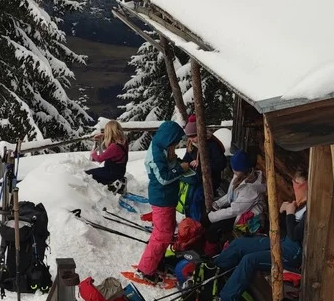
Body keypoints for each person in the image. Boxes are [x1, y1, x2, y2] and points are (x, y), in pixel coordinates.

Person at [202, 166, 307, 301]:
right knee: (240, 244)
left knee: (250, 260)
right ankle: (211, 275)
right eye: (294, 183)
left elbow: (296, 235)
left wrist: (290, 214)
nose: (295, 187)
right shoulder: (300, 204)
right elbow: (284, 229)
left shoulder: (311, 209)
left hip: (292, 254)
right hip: (281, 241)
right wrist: (282, 213)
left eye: (298, 184)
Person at [132, 121, 190, 286]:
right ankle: (146, 269)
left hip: (167, 198)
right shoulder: (157, 154)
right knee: (162, 235)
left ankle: (157, 261)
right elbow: (163, 178)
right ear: (169, 140)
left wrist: (178, 164)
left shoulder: (163, 148)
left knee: (167, 231)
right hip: (161, 199)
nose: (176, 146)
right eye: (175, 143)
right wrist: (181, 169)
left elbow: (169, 166)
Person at [204, 150, 265, 246]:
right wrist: (218, 203)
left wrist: (211, 217)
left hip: (247, 220)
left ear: (243, 169)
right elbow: (231, 194)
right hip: (238, 210)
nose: (233, 170)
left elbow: (235, 210)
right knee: (212, 223)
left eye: (235, 168)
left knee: (213, 230)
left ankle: (215, 249)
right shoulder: (239, 175)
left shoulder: (251, 189)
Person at [179, 115, 228, 222]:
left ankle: (199, 221)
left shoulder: (212, 145)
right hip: (196, 178)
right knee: (188, 197)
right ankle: (190, 220)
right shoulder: (192, 145)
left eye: (194, 136)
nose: (192, 139)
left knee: (197, 198)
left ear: (200, 133)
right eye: (190, 137)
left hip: (211, 179)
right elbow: (186, 159)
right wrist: (186, 164)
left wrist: (201, 164)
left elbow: (221, 164)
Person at [86, 121, 129, 187]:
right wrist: (104, 135)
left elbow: (99, 159)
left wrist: (93, 153)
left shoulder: (114, 147)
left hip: (111, 173)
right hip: (120, 172)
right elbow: (113, 137)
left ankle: (110, 185)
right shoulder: (124, 141)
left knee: (87, 174)